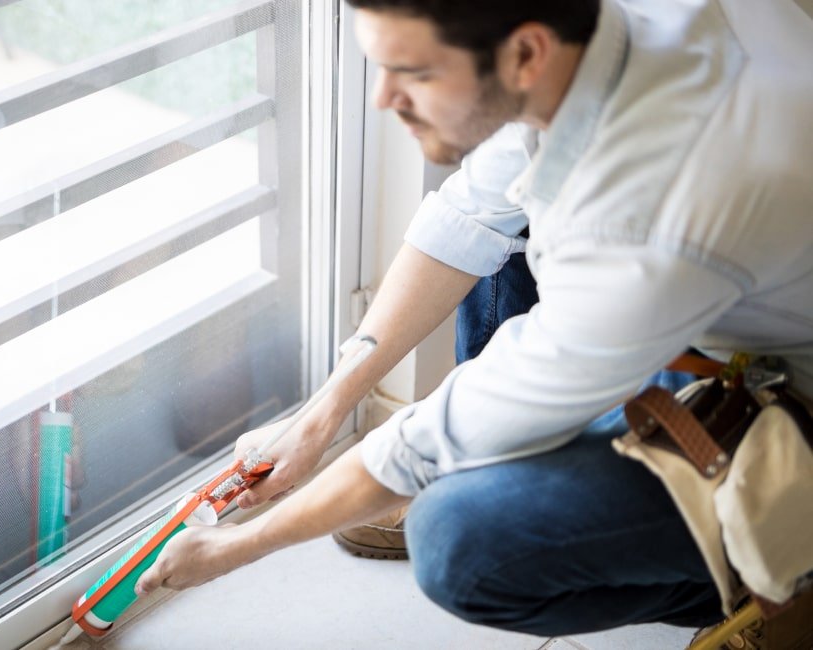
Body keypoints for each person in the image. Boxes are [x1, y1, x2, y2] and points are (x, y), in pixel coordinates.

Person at [136, 0, 813, 637]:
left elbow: (414, 448)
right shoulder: (584, 41)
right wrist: (321, 415)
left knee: (456, 539)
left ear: (526, 54)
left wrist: (236, 546)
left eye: (414, 73)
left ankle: (768, 578)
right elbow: (467, 217)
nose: (383, 98)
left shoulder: (647, 215)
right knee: (513, 220)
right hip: (728, 289)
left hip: (788, 398)